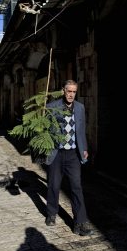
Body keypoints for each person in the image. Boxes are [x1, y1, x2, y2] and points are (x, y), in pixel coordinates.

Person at [44, 79, 93, 236]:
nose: (71, 94)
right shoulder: (52, 107)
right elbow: (45, 130)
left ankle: (80, 222)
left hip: (73, 154)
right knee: (53, 185)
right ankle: (51, 213)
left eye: (74, 92)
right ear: (63, 91)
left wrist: (84, 148)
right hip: (56, 153)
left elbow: (81, 130)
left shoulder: (80, 108)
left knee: (76, 187)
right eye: (68, 91)